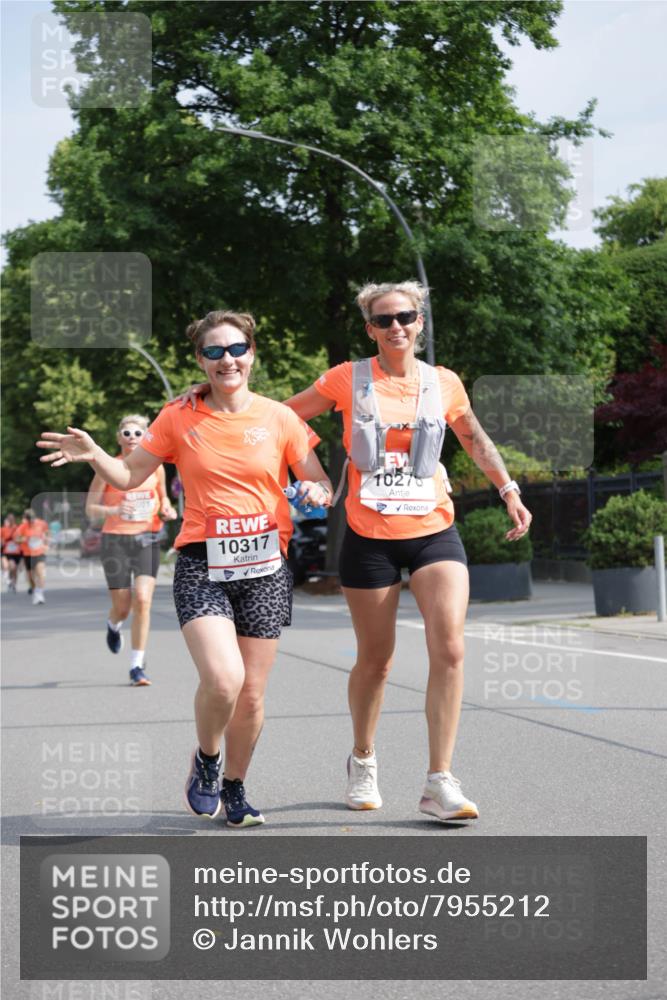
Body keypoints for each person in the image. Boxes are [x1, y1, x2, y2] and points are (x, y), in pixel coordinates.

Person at [180, 281, 532, 822]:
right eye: (383, 319)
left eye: (405, 316)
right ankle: (363, 759)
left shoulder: (445, 383)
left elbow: (474, 436)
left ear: (420, 323)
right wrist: (203, 399)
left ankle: (440, 779)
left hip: (434, 527)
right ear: (371, 328)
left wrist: (508, 488)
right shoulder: (348, 378)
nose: (396, 326)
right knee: (378, 659)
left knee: (452, 648)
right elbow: (277, 417)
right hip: (369, 537)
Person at [38, 309, 332, 828]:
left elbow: (322, 484)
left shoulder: (280, 417)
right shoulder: (178, 416)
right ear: (201, 359)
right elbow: (129, 475)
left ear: (252, 354)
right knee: (223, 679)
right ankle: (208, 759)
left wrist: (314, 489)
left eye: (237, 349)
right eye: (215, 352)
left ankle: (236, 788)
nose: (228, 360)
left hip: (266, 564)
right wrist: (95, 455)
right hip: (203, 562)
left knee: (252, 694)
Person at [85, 414, 178, 687]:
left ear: (146, 437)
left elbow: (163, 498)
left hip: (146, 538)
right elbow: (90, 509)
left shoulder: (156, 468)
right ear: (119, 438)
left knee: (143, 599)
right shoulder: (108, 468)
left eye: (138, 433)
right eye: (127, 433)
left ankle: (137, 665)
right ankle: (114, 624)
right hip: (115, 540)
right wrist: (114, 509)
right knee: (123, 607)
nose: (132, 438)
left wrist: (167, 508)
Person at [15, 508, 50, 605]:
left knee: (41, 573)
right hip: (28, 554)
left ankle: (40, 594)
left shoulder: (42, 524)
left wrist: (47, 544)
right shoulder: (23, 527)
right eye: (29, 519)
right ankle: (35, 591)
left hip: (39, 552)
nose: (31, 521)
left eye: (32, 519)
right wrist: (24, 539)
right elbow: (16, 539)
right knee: (31, 576)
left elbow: (47, 534)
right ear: (26, 519)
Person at [1, 513, 21, 591]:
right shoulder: (3, 529)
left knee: (15, 570)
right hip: (8, 552)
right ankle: (10, 581)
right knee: (12, 566)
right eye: (9, 519)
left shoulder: (18, 528)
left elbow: (22, 539)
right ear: (8, 520)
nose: (11, 521)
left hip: (17, 552)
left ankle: (14, 584)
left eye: (12, 519)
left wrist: (18, 540)